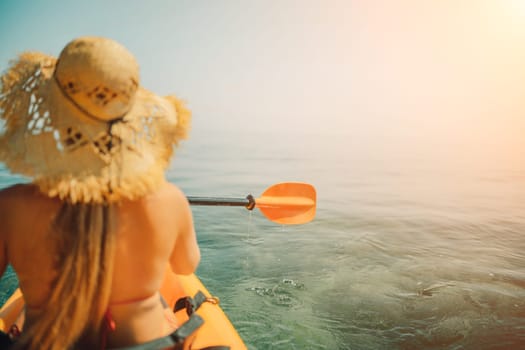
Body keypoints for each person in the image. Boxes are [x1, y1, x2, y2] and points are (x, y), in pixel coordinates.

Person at [0, 36, 200, 349]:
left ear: (50, 111)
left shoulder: (10, 206)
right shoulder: (169, 200)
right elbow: (186, 267)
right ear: (129, 120)